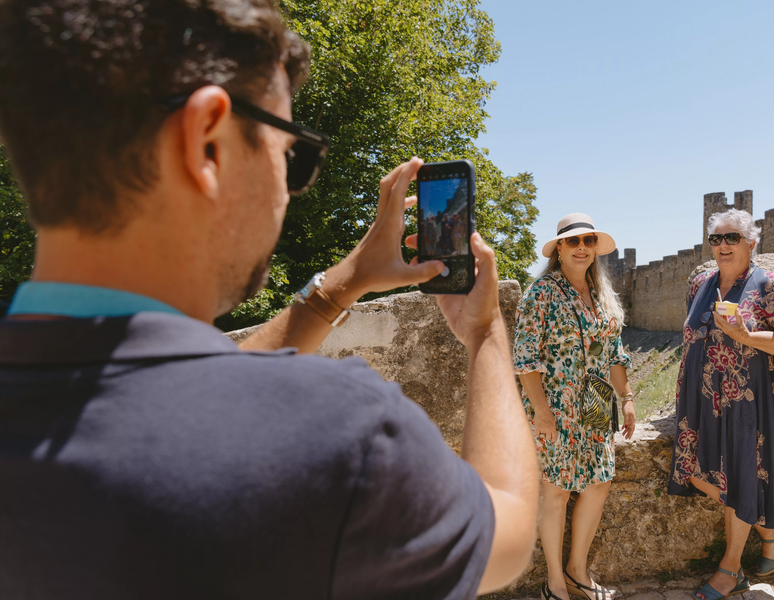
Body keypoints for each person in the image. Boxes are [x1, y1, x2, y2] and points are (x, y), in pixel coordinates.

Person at [0, 0, 540, 597]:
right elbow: (509, 530)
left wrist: (345, 282)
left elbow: (182, 395)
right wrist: (486, 333)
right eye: (292, 155)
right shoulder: (337, 438)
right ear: (207, 141)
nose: (287, 192)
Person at [668, 209, 774, 600]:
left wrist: (747, 335)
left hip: (749, 400)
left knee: (740, 473)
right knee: (693, 471)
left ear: (751, 242)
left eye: (732, 238)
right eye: (716, 239)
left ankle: (731, 570)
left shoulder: (770, 286)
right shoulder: (700, 282)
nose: (723, 246)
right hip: (700, 400)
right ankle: (773, 532)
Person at [514, 213, 636, 600]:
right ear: (560, 249)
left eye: (588, 241)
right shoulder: (542, 292)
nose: (581, 248)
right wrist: (543, 412)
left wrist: (627, 398)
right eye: (573, 242)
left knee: (598, 483)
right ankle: (554, 581)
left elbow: (614, 353)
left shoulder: (601, 295)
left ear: (595, 247)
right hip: (556, 403)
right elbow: (525, 359)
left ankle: (577, 572)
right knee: (556, 491)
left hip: (597, 401)